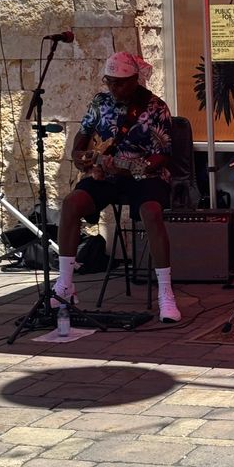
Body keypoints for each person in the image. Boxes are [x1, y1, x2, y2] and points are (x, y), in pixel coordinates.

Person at [53, 51, 181, 323]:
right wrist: (81, 157)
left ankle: (166, 293)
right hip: (105, 174)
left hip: (144, 175)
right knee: (71, 204)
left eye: (120, 83)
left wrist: (135, 167)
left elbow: (164, 153)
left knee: (152, 212)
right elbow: (84, 135)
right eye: (109, 82)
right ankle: (65, 285)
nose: (114, 88)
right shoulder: (100, 102)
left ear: (135, 80)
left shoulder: (156, 107)